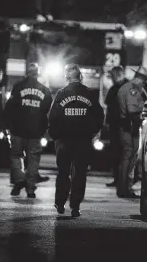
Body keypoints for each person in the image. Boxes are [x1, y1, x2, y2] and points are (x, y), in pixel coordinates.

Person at [48, 63, 104, 217]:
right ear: (80, 76)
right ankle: (75, 206)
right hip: (83, 140)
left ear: (66, 77)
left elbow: (53, 116)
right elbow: (99, 115)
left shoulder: (61, 93)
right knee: (79, 173)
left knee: (63, 173)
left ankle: (60, 203)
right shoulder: (89, 93)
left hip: (64, 140)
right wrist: (93, 132)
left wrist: (55, 135)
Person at [4, 63, 53, 198]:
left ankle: (19, 180)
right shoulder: (44, 90)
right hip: (35, 131)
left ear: (26, 73)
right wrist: (45, 128)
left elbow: (9, 107)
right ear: (37, 73)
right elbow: (48, 111)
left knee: (16, 156)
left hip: (18, 129)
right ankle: (30, 189)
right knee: (33, 159)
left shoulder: (18, 87)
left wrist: (9, 124)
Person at [117, 66, 147, 198]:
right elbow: (132, 111)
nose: (145, 84)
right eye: (145, 81)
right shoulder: (132, 90)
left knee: (129, 157)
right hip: (129, 127)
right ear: (141, 79)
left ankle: (125, 187)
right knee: (129, 157)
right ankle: (125, 188)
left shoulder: (131, 88)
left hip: (128, 127)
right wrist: (142, 117)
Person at [104, 66, 128, 187]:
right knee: (116, 154)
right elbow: (108, 106)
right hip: (116, 126)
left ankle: (123, 180)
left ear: (118, 75)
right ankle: (118, 179)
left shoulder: (127, 87)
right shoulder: (116, 88)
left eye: (112, 76)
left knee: (124, 154)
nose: (111, 78)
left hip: (124, 126)